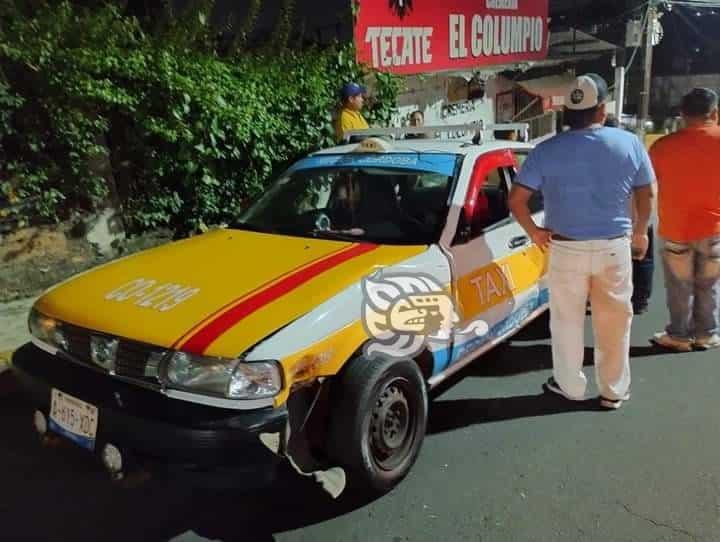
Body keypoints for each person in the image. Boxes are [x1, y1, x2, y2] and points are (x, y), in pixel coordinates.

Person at [508, 73, 655, 410]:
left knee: (565, 322)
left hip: (564, 247)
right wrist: (640, 231)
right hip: (613, 248)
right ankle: (613, 391)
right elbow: (647, 191)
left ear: (567, 112)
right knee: (615, 321)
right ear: (601, 110)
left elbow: (516, 199)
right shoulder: (629, 143)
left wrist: (534, 232)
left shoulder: (546, 150)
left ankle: (570, 386)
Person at [648, 88, 720, 351]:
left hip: (676, 228)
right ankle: (706, 334)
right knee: (709, 285)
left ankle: (679, 336)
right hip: (714, 229)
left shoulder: (662, 147)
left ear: (682, 114)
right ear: (714, 112)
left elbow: (646, 186)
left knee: (679, 287)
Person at [603, 115, 656, 314]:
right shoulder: (633, 148)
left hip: (611, 218)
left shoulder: (596, 152)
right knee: (641, 259)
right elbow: (648, 188)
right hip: (636, 214)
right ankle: (640, 300)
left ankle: (611, 297)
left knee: (611, 260)